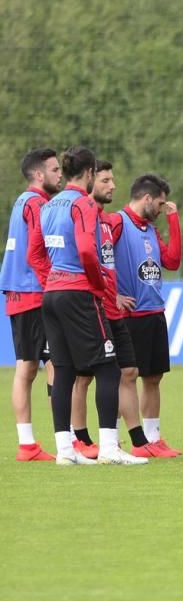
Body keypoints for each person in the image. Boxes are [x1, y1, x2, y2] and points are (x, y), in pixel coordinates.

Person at [39, 146, 146, 465]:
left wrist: (53, 278)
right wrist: (97, 286)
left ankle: (64, 452)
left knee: (66, 370)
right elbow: (87, 251)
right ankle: (110, 449)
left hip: (52, 293)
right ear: (88, 174)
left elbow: (36, 251)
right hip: (79, 294)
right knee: (109, 368)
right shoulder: (83, 203)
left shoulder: (49, 204)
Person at [70, 160, 170, 459]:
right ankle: (78, 441)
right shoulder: (107, 220)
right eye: (105, 180)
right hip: (93, 307)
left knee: (127, 373)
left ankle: (128, 440)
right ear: (89, 181)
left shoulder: (105, 219)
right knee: (81, 376)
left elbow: (172, 259)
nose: (112, 185)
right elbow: (86, 255)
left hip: (125, 310)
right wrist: (109, 296)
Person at [113, 173, 183, 455]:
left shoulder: (151, 230)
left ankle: (152, 438)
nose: (162, 208)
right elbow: (97, 256)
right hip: (129, 316)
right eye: (161, 203)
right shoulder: (116, 222)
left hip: (154, 312)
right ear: (147, 199)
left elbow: (173, 261)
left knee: (153, 378)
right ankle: (113, 438)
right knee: (124, 378)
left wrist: (173, 221)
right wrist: (113, 295)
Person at [1, 148, 61, 461]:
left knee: (28, 367)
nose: (59, 174)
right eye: (54, 169)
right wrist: (56, 284)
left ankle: (29, 444)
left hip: (19, 292)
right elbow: (39, 251)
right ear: (39, 175)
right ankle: (65, 440)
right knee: (54, 365)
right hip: (35, 292)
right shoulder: (38, 204)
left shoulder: (23, 201)